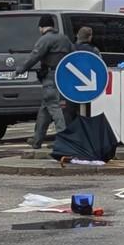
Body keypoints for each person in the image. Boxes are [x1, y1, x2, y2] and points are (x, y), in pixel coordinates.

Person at [16, 15, 73, 149]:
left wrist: (20, 69)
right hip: (63, 76)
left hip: (50, 77)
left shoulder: (45, 39)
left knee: (54, 107)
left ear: (41, 27)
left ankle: (64, 140)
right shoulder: (64, 39)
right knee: (45, 110)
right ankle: (37, 140)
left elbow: (34, 56)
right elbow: (73, 54)